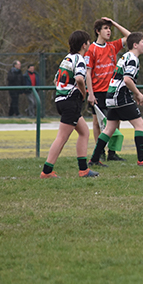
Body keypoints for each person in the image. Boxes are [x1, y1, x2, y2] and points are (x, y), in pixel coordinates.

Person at [90, 32, 143, 166]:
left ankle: (94, 159)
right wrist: (138, 93)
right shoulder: (133, 59)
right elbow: (127, 79)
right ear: (135, 45)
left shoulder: (126, 56)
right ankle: (142, 159)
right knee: (139, 125)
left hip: (111, 95)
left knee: (109, 129)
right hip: (120, 96)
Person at [40, 31, 98, 178]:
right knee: (62, 138)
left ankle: (83, 169)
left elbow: (56, 80)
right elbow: (79, 78)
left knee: (84, 132)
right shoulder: (80, 59)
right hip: (70, 101)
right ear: (84, 45)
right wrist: (83, 93)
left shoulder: (66, 59)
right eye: (88, 42)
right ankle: (46, 171)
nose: (89, 44)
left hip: (61, 100)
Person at [85, 17, 131, 165]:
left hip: (112, 90)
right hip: (98, 91)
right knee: (97, 122)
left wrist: (114, 23)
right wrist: (90, 93)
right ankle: (99, 152)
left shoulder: (112, 46)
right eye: (105, 28)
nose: (109, 31)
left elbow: (130, 37)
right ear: (98, 31)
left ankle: (112, 152)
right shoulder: (91, 49)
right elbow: (87, 73)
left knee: (115, 120)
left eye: (109, 29)